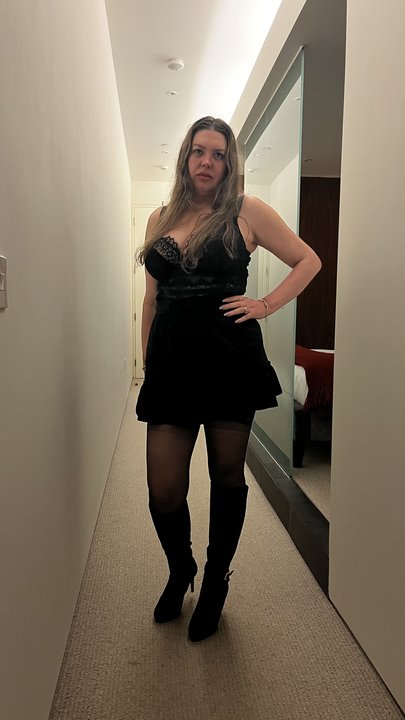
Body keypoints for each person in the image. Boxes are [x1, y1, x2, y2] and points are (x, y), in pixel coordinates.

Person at [135, 116, 321, 643]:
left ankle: (216, 580)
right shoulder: (160, 217)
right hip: (172, 365)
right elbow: (151, 299)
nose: (207, 162)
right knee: (163, 488)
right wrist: (149, 365)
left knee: (226, 476)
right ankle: (181, 568)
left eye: (218, 154)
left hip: (228, 361)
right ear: (186, 157)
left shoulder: (246, 210)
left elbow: (308, 260)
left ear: (229, 162)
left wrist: (265, 304)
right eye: (199, 151)